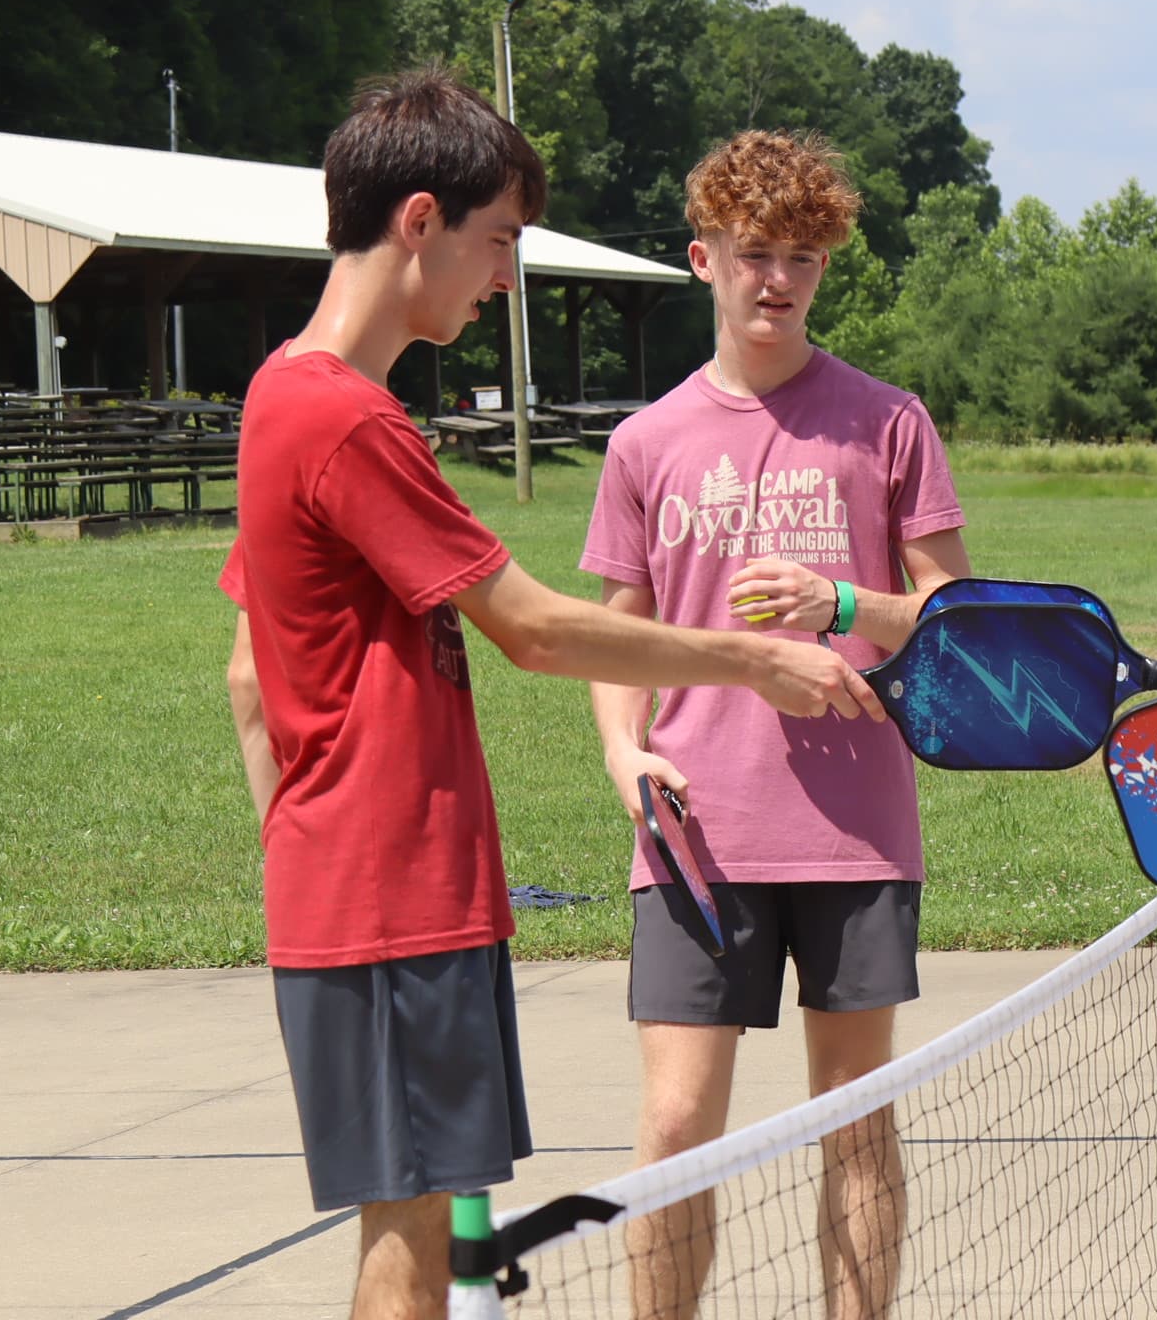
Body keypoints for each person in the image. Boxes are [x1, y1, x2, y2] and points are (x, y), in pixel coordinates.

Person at [220, 70, 883, 1320]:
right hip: (392, 892)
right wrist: (750, 658)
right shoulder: (347, 418)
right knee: (414, 1237)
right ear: (420, 221)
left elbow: (250, 675)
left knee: (408, 1215)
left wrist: (301, 851)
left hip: (359, 886)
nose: (504, 279)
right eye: (498, 244)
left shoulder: (277, 394)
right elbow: (530, 629)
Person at [581, 130, 971, 1320]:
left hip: (852, 831)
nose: (778, 280)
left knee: (851, 1121)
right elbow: (618, 626)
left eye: (803, 256)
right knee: (675, 1125)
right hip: (695, 830)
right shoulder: (645, 442)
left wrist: (844, 603)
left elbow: (956, 622)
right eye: (754, 253)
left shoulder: (887, 422)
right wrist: (621, 750)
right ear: (704, 259)